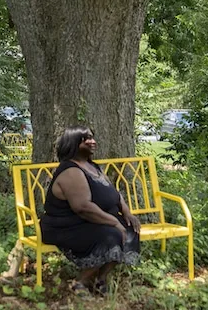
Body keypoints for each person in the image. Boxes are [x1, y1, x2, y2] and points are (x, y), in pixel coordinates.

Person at [40, 126, 141, 295]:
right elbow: (83, 207)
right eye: (86, 139)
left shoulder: (93, 166)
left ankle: (100, 280)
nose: (93, 141)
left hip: (90, 222)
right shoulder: (71, 170)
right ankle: (80, 282)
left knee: (130, 229)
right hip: (66, 226)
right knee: (112, 234)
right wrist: (114, 221)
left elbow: (114, 193)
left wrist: (127, 212)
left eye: (93, 137)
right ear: (73, 143)